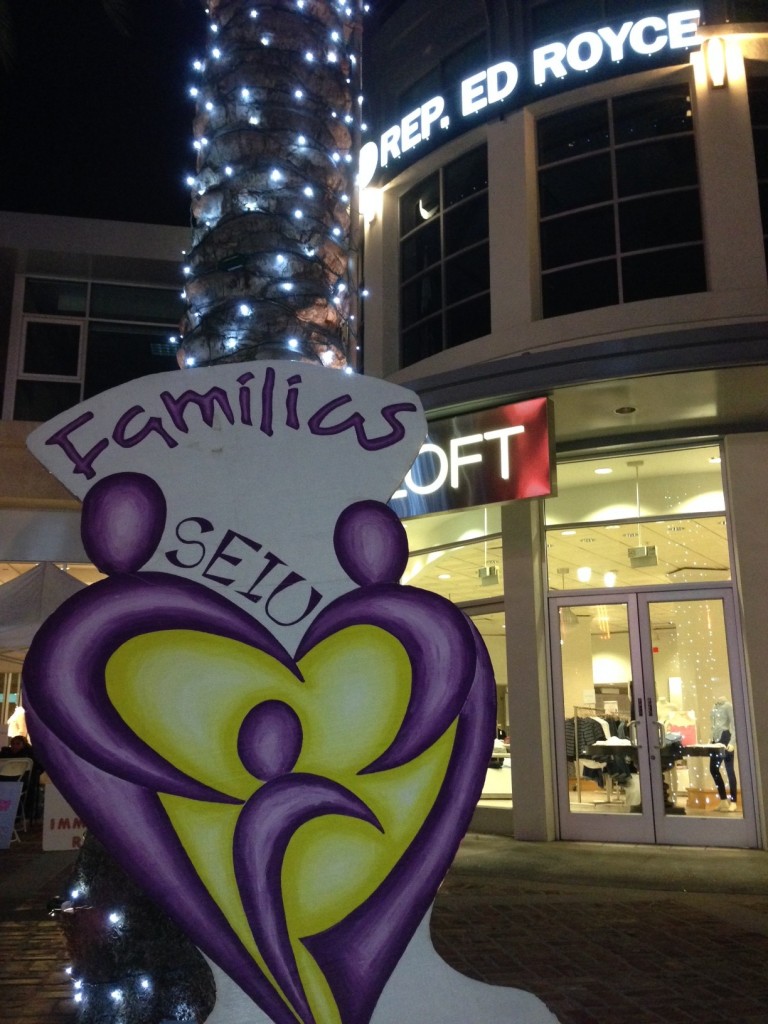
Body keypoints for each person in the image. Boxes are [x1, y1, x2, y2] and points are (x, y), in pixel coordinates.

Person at [710, 696, 738, 812]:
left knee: (729, 769)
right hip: (715, 740)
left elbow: (734, 724)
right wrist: (711, 738)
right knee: (713, 769)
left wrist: (732, 742)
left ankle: (734, 801)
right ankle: (723, 800)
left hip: (725, 737)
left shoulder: (728, 706)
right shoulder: (714, 707)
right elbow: (713, 725)